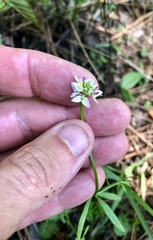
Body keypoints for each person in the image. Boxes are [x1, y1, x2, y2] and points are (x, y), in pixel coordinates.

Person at [0, 46, 131, 239]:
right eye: (83, 90)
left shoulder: (86, 98)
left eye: (85, 91)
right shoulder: (79, 98)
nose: (84, 90)